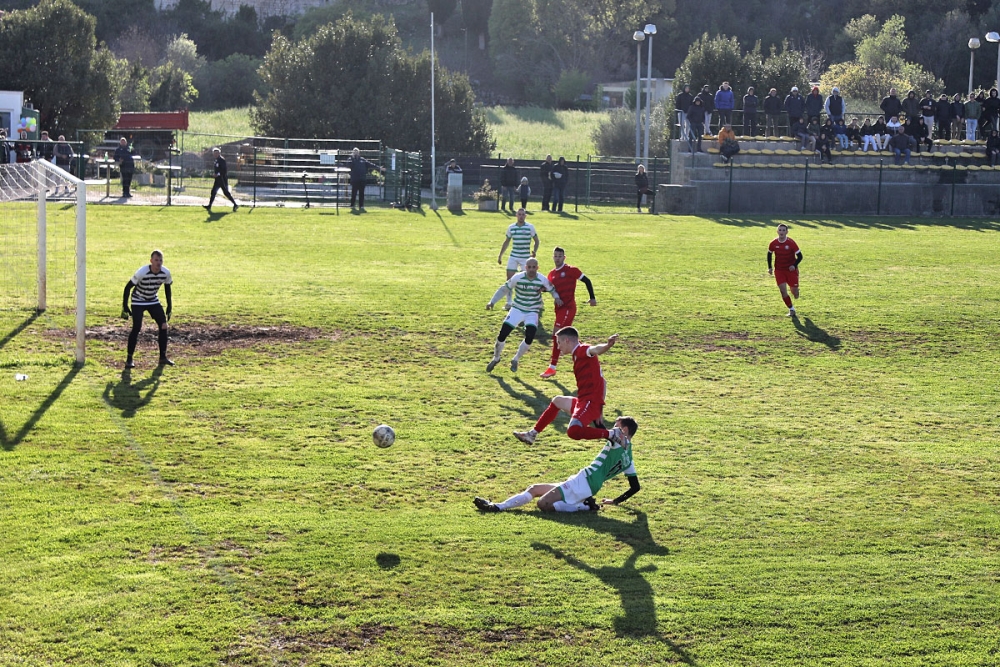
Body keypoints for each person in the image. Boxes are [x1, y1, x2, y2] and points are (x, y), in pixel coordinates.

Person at [473, 416, 640, 513]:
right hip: (585, 481)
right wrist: (615, 501)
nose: (613, 429)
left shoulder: (618, 441)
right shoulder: (629, 457)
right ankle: (496, 507)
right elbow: (635, 487)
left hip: (585, 483)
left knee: (543, 504)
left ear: (624, 431)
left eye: (616, 426)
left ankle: (584, 506)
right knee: (534, 488)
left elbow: (599, 425)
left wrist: (593, 408)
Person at [513, 327, 619, 445]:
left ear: (567, 340)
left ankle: (612, 434)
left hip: (590, 403)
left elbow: (595, 349)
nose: (558, 347)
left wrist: (607, 346)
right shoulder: (576, 355)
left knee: (573, 431)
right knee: (557, 401)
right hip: (584, 401)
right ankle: (532, 434)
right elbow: (603, 381)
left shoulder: (582, 350)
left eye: (559, 342)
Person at [485, 257, 562, 373]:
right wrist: (492, 302)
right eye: (529, 267)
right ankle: (496, 358)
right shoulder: (518, 277)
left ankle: (515, 359)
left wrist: (557, 298)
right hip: (517, 309)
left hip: (532, 311)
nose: (531, 270)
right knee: (502, 334)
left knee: (530, 336)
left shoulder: (542, 279)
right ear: (525, 268)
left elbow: (552, 290)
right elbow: (504, 289)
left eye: (534, 267)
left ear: (537, 267)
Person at [540, 248, 596, 379]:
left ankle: (552, 367)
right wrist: (539, 289)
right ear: (553, 257)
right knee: (568, 337)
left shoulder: (571, 270)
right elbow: (549, 288)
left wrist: (592, 298)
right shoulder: (551, 274)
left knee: (556, 334)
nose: (557, 258)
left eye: (560, 256)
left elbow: (587, 281)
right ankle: (587, 355)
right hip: (559, 309)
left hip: (568, 308)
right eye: (555, 256)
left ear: (564, 257)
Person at [122, 249, 173, 368]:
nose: (158, 263)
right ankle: (129, 359)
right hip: (138, 300)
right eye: (156, 260)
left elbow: (167, 288)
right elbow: (127, 287)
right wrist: (125, 305)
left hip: (152, 299)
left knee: (163, 326)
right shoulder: (142, 272)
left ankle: (162, 357)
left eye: (160, 260)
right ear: (151, 261)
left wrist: (169, 306)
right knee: (136, 327)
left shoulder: (165, 273)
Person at [497, 208, 539, 309]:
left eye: (523, 214)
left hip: (525, 257)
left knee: (529, 280)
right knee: (510, 280)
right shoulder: (511, 227)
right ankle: (509, 302)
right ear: (516, 215)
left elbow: (537, 241)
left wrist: (534, 251)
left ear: (525, 216)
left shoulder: (530, 227)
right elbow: (506, 241)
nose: (521, 216)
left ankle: (533, 301)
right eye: (519, 214)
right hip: (514, 256)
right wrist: (500, 255)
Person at [767, 224, 803, 317]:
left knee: (794, 292)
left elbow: (800, 256)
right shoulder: (773, 243)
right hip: (779, 270)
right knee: (783, 291)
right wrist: (770, 267)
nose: (781, 232)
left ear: (787, 232)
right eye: (780, 230)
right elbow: (769, 254)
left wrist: (794, 265)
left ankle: (796, 291)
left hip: (791, 270)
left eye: (783, 230)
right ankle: (791, 309)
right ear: (777, 231)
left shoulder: (791, 243)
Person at [203, 147, 238, 213]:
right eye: (214, 153)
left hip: (222, 179)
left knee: (226, 193)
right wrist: (215, 174)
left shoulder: (222, 160)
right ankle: (209, 205)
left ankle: (235, 204)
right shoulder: (216, 160)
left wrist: (218, 174)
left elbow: (224, 170)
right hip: (217, 179)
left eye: (216, 153)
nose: (215, 154)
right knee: (213, 191)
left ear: (219, 153)